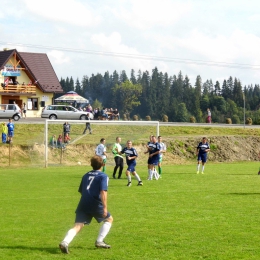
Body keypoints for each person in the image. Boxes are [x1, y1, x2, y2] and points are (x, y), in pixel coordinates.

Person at [59, 156, 113, 254]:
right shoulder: (103, 176)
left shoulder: (86, 175)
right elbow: (103, 192)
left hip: (83, 202)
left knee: (78, 225)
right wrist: (104, 207)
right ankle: (99, 241)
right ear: (103, 165)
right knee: (109, 219)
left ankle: (65, 242)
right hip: (96, 203)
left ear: (91, 164)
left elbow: (81, 190)